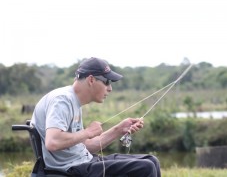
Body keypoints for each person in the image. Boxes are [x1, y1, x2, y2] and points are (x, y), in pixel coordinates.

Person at [30, 57, 161, 177]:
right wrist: (87, 132)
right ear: (91, 80)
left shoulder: (73, 101)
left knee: (151, 160)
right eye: (107, 82)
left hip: (84, 162)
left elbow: (85, 146)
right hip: (71, 169)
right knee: (145, 167)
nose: (110, 88)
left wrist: (119, 130)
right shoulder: (62, 100)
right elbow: (53, 142)